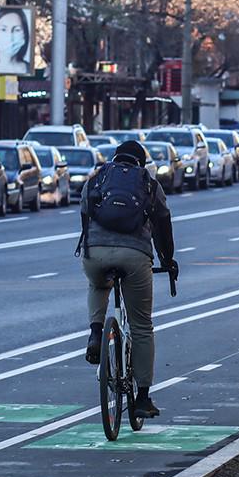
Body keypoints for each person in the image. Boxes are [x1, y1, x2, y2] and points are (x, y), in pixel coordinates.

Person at [77, 140, 176, 419]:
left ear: (115, 157)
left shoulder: (98, 178)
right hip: (134, 256)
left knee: (98, 283)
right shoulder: (148, 183)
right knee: (142, 325)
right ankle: (143, 398)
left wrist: (93, 246)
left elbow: (84, 212)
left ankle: (96, 332)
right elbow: (162, 223)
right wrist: (167, 260)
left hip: (95, 253)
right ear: (140, 163)